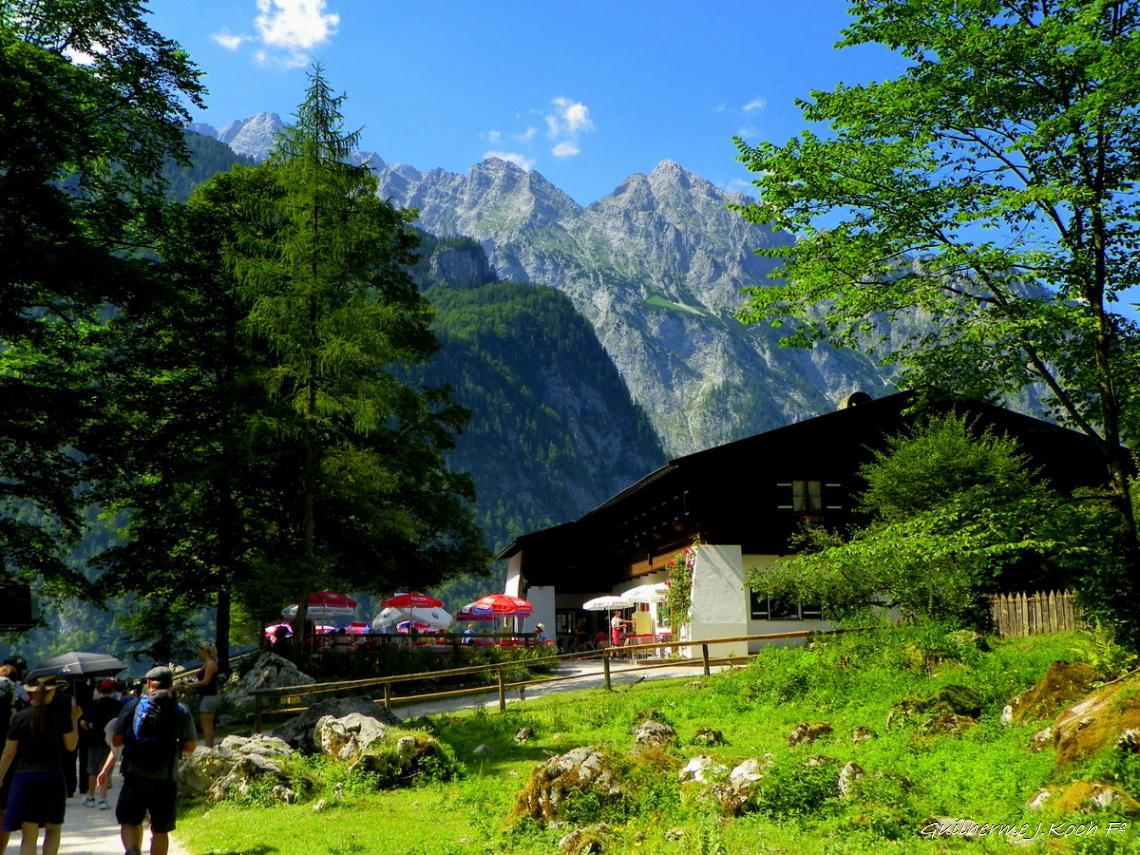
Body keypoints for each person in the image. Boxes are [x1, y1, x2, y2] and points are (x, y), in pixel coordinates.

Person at [99, 665, 197, 855]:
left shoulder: (133, 706)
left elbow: (116, 740)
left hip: (135, 773)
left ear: (150, 684)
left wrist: (131, 739)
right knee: (161, 828)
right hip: (166, 776)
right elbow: (191, 746)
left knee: (129, 819)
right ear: (171, 684)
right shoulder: (181, 710)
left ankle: (133, 850)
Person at [0, 675, 82, 855]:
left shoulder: (20, 717)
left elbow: (8, 752)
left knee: (29, 835)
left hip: (25, 778)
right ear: (52, 692)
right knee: (53, 829)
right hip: (52, 777)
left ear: (30, 694)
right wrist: (74, 719)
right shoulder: (61, 717)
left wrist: (0, 777)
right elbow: (71, 745)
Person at [82, 680, 123, 809]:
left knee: (93, 770)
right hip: (110, 741)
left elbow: (82, 722)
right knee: (105, 770)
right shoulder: (118, 705)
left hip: (94, 740)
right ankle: (103, 799)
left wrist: (89, 730)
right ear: (113, 690)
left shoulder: (92, 704)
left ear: (99, 690)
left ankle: (91, 796)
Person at [189, 641, 219, 748]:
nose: (198, 653)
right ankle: (209, 747)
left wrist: (190, 685)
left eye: (199, 651)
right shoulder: (207, 663)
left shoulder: (210, 664)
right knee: (207, 725)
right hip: (207, 697)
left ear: (204, 651)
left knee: (206, 725)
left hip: (208, 697)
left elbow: (206, 681)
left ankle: (208, 748)